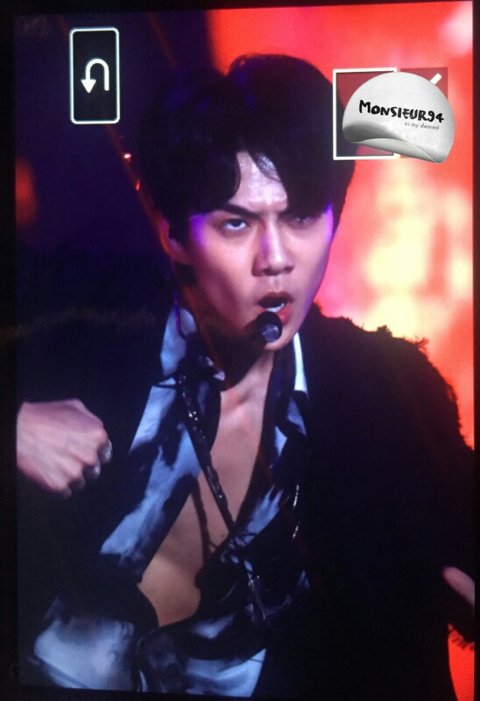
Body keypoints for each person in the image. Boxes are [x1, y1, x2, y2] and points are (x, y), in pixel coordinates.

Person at [16, 55, 473, 699]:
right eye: (236, 223)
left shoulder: (385, 393)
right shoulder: (77, 327)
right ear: (174, 235)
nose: (275, 259)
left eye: (301, 217)